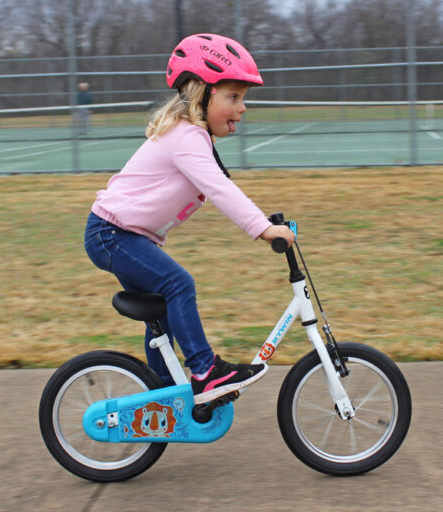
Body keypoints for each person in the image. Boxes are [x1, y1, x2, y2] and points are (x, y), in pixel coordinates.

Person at [84, 33, 295, 405]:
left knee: (164, 309)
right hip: (112, 234)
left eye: (243, 98)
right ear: (203, 94)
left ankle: (164, 398)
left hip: (118, 234)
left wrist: (264, 222)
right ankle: (205, 372)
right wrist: (263, 229)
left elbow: (221, 186)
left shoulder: (193, 138)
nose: (243, 107)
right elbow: (220, 189)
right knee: (178, 284)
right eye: (233, 97)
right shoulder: (187, 137)